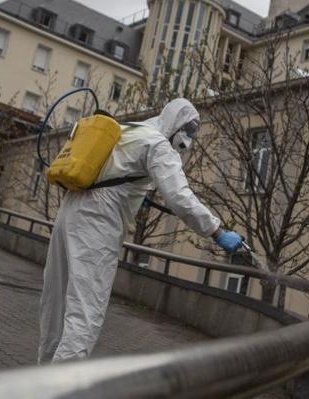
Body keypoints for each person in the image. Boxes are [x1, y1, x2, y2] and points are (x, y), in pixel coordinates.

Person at [37, 98, 243, 364]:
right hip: (96, 224)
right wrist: (216, 231)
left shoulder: (131, 129)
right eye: (189, 132)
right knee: (85, 312)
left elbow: (117, 173)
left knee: (56, 302)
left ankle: (41, 379)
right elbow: (180, 197)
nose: (188, 141)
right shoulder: (159, 145)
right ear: (178, 126)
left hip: (71, 209)